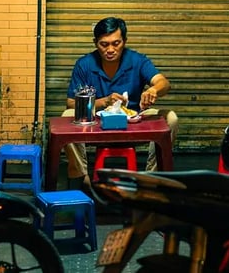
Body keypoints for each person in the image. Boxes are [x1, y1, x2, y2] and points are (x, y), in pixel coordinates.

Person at [63, 16, 178, 189]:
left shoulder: (137, 60)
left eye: (116, 43)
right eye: (104, 44)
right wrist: (104, 101)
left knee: (172, 118)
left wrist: (153, 90)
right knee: (67, 116)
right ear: (95, 43)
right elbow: (71, 103)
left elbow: (164, 82)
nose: (110, 49)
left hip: (133, 120)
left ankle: (153, 175)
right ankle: (81, 175)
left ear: (124, 41)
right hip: (97, 122)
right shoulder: (85, 64)